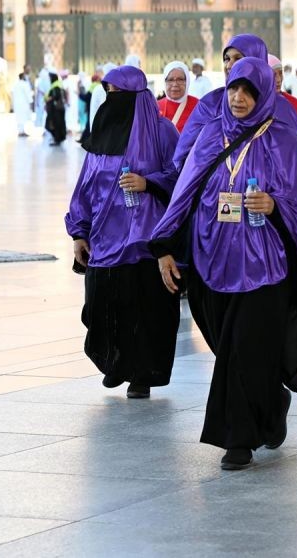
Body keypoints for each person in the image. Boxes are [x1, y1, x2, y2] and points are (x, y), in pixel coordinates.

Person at [150, 57, 297, 470]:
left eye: (248, 90)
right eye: (233, 89)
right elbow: (184, 192)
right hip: (214, 261)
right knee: (232, 346)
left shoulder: (284, 140)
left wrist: (275, 204)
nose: (239, 98)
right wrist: (163, 246)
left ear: (264, 92)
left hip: (267, 267)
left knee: (243, 348)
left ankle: (237, 440)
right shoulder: (212, 135)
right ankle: (272, 401)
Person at [66, 65, 180, 399]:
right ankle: (115, 362)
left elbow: (182, 178)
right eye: (108, 94)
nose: (110, 101)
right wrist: (79, 231)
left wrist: (149, 182)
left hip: (146, 242)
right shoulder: (103, 133)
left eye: (117, 94)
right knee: (99, 308)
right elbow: (85, 184)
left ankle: (140, 374)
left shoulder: (162, 132)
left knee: (144, 314)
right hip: (104, 240)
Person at [173, 34, 297, 171]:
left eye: (238, 58)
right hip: (214, 190)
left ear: (257, 62)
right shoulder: (210, 104)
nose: (229, 65)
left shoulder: (282, 108)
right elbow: (184, 158)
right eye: (227, 59)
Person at [269, 54, 297, 155]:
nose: (279, 80)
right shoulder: (253, 104)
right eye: (274, 75)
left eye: (281, 74)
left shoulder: (292, 103)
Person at [157, 61, 199, 133]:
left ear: (187, 81)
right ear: (165, 82)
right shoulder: (155, 107)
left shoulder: (198, 106)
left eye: (180, 79)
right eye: (170, 80)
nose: (175, 84)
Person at [44, 71, 67, 146]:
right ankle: (57, 138)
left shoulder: (55, 86)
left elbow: (56, 96)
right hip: (58, 109)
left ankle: (57, 139)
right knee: (56, 124)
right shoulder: (58, 84)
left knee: (53, 124)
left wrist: (49, 99)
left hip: (55, 110)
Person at [11, 72, 33, 137]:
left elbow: (12, 93)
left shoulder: (15, 84)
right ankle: (21, 131)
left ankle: (21, 131)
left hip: (17, 104)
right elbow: (28, 94)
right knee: (22, 117)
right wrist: (30, 102)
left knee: (19, 118)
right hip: (23, 104)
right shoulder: (25, 84)